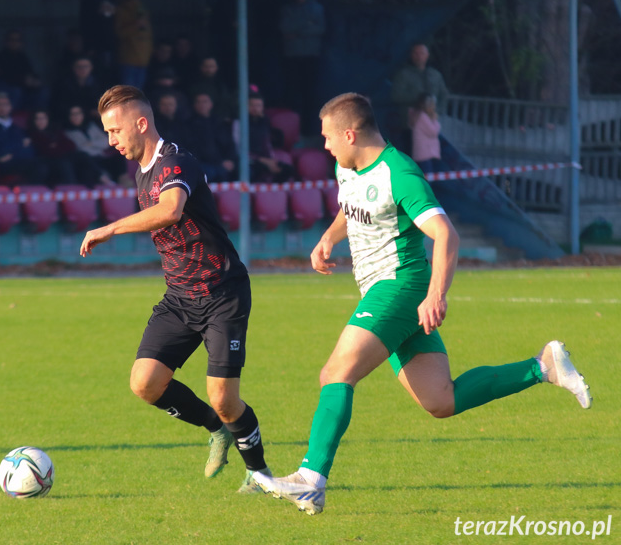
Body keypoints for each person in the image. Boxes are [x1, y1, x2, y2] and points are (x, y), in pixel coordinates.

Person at [251, 93, 592, 515]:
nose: (323, 146)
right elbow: (351, 205)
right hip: (387, 292)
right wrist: (328, 238)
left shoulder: (401, 174)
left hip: (399, 286)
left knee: (335, 373)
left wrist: (436, 294)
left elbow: (446, 233)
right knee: (440, 400)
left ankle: (310, 479)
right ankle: (542, 367)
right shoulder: (348, 166)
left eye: (327, 137)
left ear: (350, 134)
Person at [80, 85, 272, 491]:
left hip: (222, 294)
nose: (110, 141)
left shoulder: (176, 162)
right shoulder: (141, 171)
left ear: (141, 123)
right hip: (181, 298)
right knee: (144, 383)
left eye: (115, 131)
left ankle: (260, 474)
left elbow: (170, 211)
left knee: (224, 396)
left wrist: (111, 227)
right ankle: (216, 430)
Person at [279, 0, 326, 135]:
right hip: (292, 56)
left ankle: (310, 131)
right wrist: (307, 25)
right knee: (293, 94)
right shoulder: (287, 9)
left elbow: (319, 28)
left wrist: (297, 32)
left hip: (311, 56)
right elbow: (285, 28)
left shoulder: (317, 8)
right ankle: (293, 132)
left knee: (310, 95)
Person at [0, 92, 52, 185]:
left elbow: (29, 149)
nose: (3, 108)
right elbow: (2, 155)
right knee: (39, 166)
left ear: (11, 107)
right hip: (5, 167)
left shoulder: (15, 127)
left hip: (21, 161)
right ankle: (28, 196)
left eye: (6, 104)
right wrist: (20, 144)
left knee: (51, 162)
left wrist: (13, 151)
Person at [28, 109, 108, 187]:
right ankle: (72, 189)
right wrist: (58, 146)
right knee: (64, 163)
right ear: (33, 121)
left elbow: (70, 145)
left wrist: (56, 146)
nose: (41, 121)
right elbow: (45, 150)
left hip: (64, 156)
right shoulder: (32, 134)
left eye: (43, 118)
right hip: (48, 161)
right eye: (38, 119)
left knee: (83, 156)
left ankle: (104, 180)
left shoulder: (54, 130)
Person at [233, 89, 294, 183]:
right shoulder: (239, 123)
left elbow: (267, 144)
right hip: (249, 160)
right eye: (252, 105)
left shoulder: (264, 123)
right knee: (252, 171)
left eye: (258, 105)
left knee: (287, 170)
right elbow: (238, 149)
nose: (255, 108)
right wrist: (262, 160)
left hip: (265, 159)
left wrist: (271, 161)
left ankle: (273, 196)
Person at [390, 43, 449, 135]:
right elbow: (396, 96)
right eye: (415, 53)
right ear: (411, 55)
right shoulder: (403, 74)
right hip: (410, 124)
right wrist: (420, 99)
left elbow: (444, 94)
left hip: (431, 123)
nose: (418, 56)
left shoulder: (435, 75)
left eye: (421, 53)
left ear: (427, 55)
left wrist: (438, 110)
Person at [63, 104, 128, 185]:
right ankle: (106, 182)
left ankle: (124, 181)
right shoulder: (67, 132)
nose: (76, 117)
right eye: (73, 114)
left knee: (119, 154)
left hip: (100, 157)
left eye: (78, 113)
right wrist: (96, 144)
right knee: (85, 157)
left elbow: (106, 142)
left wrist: (90, 143)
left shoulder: (91, 126)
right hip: (85, 162)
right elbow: (80, 148)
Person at [185, 92, 238, 183]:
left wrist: (231, 160)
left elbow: (229, 144)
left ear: (211, 104)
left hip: (223, 162)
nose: (202, 105)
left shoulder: (219, 123)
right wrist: (220, 162)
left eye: (205, 102)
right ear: (194, 105)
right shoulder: (189, 125)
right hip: (204, 163)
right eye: (198, 102)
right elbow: (198, 149)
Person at [114, 0, 153, 88]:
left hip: (143, 58)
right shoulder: (121, 9)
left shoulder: (142, 7)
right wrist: (135, 25)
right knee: (129, 93)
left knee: (139, 93)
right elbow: (118, 32)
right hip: (128, 58)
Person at [79, 0, 117, 78]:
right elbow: (85, 21)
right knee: (97, 75)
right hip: (94, 44)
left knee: (109, 75)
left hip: (110, 43)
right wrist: (89, 45)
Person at [410, 93, 441, 175]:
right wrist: (434, 120)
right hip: (425, 155)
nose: (434, 107)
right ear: (426, 105)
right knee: (428, 181)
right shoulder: (422, 117)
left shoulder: (417, 115)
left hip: (421, 154)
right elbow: (433, 132)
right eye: (432, 105)